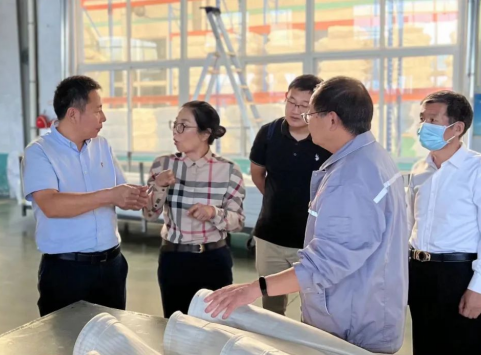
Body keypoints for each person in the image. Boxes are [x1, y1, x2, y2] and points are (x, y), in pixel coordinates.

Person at [205, 77, 409, 354]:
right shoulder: (371, 158)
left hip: (350, 327)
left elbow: (327, 263)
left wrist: (255, 288)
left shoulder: (350, 180)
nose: (305, 119)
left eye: (310, 113)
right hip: (365, 307)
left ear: (332, 119)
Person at [23, 75, 149, 317]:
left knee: (111, 336)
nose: (104, 117)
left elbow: (122, 194)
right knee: (66, 339)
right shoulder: (39, 152)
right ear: (73, 114)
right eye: (98, 110)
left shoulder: (102, 146)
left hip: (112, 267)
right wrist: (109, 195)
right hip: (67, 272)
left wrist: (148, 191)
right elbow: (51, 205)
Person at [407, 91, 481, 355]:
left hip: (459, 274)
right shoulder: (419, 169)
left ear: (457, 128)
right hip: (421, 272)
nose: (423, 126)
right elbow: (410, 223)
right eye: (422, 119)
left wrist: (478, 288)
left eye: (432, 120)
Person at [143, 101, 246, 319]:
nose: (175, 131)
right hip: (173, 259)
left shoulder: (229, 170)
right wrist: (159, 186)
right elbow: (149, 214)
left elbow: (238, 222)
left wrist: (213, 213)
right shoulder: (162, 165)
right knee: (175, 322)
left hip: (213, 260)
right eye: (175, 124)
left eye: (183, 125)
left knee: (215, 326)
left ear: (205, 134)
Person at [250, 75, 332, 315]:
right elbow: (258, 175)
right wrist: (280, 199)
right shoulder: (268, 133)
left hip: (311, 240)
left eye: (304, 105)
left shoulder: (325, 139)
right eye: (291, 102)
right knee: (271, 307)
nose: (295, 111)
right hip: (270, 237)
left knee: (315, 306)